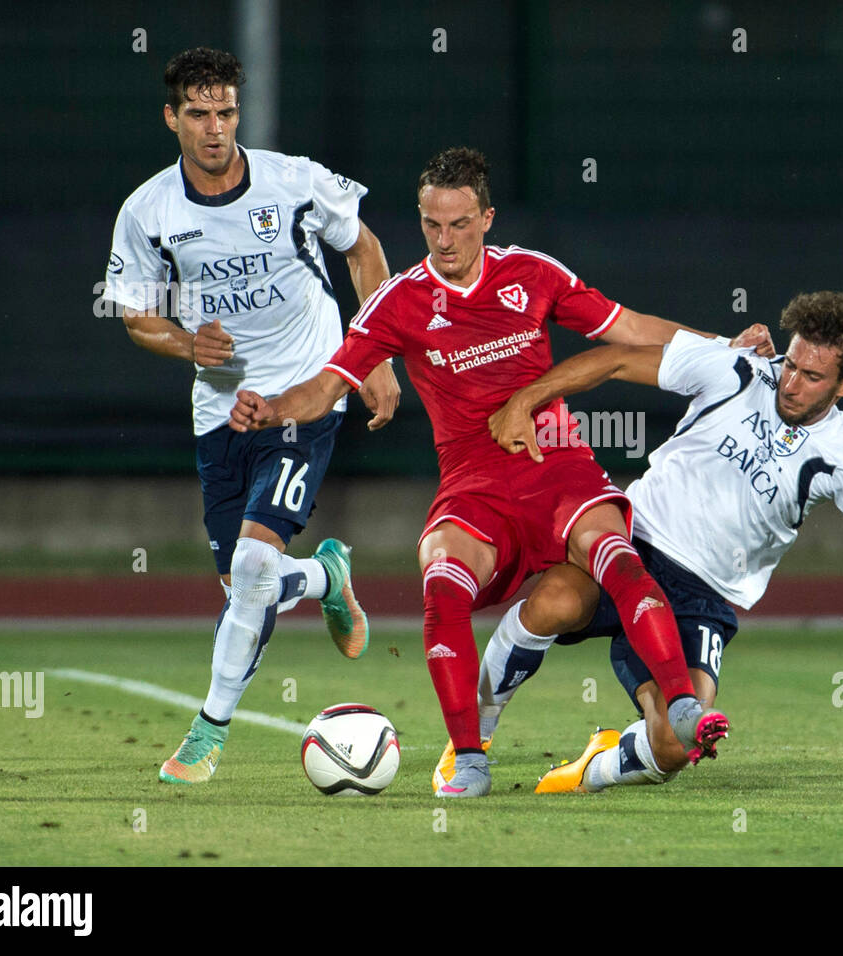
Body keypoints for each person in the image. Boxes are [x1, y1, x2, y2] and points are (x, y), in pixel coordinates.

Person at [229, 147, 746, 797]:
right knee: (441, 583)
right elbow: (330, 383)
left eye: (460, 224)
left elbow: (633, 328)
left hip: (559, 468)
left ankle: (681, 704)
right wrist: (272, 408)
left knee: (617, 555)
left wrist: (724, 349)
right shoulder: (399, 302)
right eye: (431, 225)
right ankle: (470, 757)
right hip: (474, 486)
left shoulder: (533, 274)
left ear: (487, 217)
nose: (445, 240)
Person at [480, 291, 843, 793]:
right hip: (631, 543)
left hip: (703, 598)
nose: (790, 382)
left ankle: (593, 768)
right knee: (550, 604)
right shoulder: (737, 368)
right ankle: (471, 741)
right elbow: (616, 358)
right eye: (790, 363)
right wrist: (528, 397)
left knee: (677, 743)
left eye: (812, 376)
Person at [104, 47, 401, 784]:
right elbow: (136, 315)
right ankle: (327, 579)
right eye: (199, 114)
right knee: (248, 589)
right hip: (222, 412)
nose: (215, 128)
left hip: (307, 391)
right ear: (172, 117)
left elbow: (362, 249)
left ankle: (208, 733)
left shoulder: (294, 180)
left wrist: (378, 357)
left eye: (227, 112)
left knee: (257, 560)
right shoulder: (147, 211)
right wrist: (187, 344)